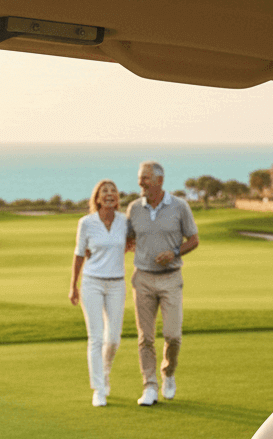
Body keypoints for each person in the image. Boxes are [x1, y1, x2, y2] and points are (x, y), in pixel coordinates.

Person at [126, 161, 199, 407]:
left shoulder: (180, 207)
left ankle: (168, 373)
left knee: (173, 335)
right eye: (139, 178)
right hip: (143, 279)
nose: (140, 182)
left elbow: (194, 239)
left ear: (159, 181)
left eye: (145, 178)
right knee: (145, 337)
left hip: (170, 278)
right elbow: (127, 239)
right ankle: (149, 385)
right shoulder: (134, 208)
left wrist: (174, 252)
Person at [69, 179, 127, 407]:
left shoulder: (124, 221)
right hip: (92, 283)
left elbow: (132, 241)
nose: (109, 194)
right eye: (105, 191)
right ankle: (98, 389)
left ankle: (105, 372)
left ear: (117, 197)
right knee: (95, 338)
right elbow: (78, 255)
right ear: (97, 197)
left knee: (113, 338)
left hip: (116, 284)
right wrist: (73, 285)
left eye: (113, 191)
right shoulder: (86, 223)